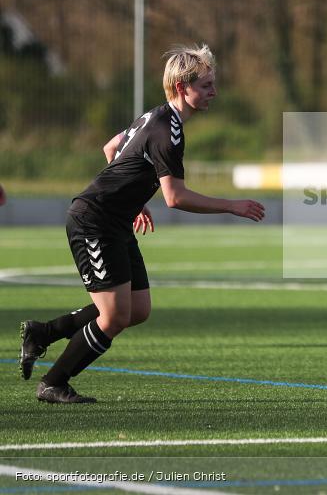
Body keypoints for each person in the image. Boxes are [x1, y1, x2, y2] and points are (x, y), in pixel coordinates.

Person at [18, 44, 265, 403]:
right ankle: (54, 382)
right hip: (94, 220)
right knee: (116, 316)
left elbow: (112, 147)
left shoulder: (157, 116)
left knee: (137, 309)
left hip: (114, 219)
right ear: (183, 88)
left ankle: (43, 332)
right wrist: (231, 205)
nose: (215, 92)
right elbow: (175, 197)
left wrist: (133, 201)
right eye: (207, 85)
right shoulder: (169, 131)